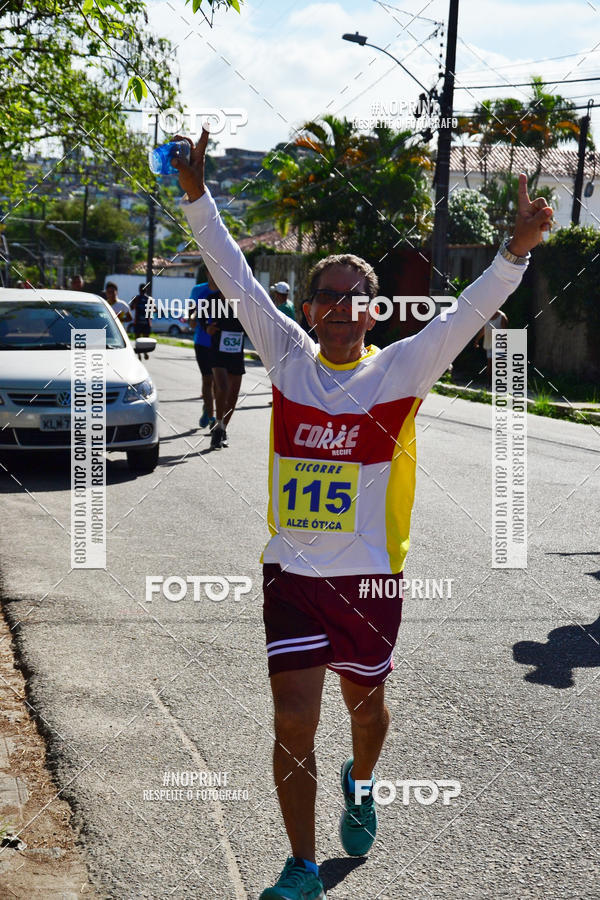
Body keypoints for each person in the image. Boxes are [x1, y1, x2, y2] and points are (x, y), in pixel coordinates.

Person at [174, 131, 553, 900]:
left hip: (371, 584)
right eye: (328, 298)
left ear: (374, 312)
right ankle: (303, 865)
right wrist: (195, 195)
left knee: (367, 709)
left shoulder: (401, 369)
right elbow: (235, 274)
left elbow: (469, 310)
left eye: (355, 299)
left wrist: (515, 251)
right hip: (292, 575)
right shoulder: (284, 358)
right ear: (309, 307)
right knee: (291, 720)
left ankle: (363, 778)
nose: (341, 311)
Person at [205, 288, 246, 450]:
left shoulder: (243, 299)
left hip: (236, 350)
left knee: (233, 395)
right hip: (218, 350)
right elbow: (199, 315)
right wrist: (206, 327)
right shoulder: (212, 299)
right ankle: (218, 424)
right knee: (222, 387)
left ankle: (222, 429)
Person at [189, 273, 217, 430]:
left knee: (217, 381)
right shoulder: (198, 290)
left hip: (219, 343)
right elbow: (192, 312)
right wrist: (192, 318)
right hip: (202, 341)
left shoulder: (225, 291)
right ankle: (211, 416)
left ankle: (208, 407)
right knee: (207, 380)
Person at [475, 308, 509, 386]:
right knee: (490, 363)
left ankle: (501, 384)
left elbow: (505, 332)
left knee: (499, 364)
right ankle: (489, 383)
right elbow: (483, 329)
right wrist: (477, 340)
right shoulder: (487, 316)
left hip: (499, 344)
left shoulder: (502, 317)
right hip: (489, 344)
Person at [130, 283, 152, 360]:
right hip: (138, 322)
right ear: (139, 290)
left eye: (144, 289)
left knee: (145, 339)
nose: (143, 290)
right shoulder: (136, 298)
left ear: (146, 290)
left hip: (146, 322)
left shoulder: (149, 299)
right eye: (142, 289)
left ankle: (144, 352)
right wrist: (134, 304)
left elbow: (155, 308)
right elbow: (131, 307)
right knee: (138, 339)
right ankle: (139, 353)